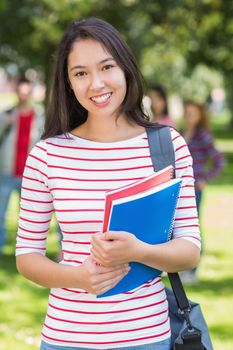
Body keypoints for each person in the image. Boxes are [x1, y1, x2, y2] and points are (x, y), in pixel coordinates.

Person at [16, 18, 201, 350]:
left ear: (125, 69)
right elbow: (27, 255)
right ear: (68, 83)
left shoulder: (167, 145)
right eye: (81, 73)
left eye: (106, 67)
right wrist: (76, 277)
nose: (96, 84)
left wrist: (139, 252)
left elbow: (189, 251)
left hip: (147, 337)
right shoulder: (48, 155)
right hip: (66, 338)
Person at [180, 99, 225, 284]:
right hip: (181, 187)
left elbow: (219, 160)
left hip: (195, 188)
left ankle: (193, 270)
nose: (188, 117)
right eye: (186, 113)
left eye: (192, 113)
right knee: (179, 228)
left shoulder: (202, 136)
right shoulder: (182, 133)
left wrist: (205, 178)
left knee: (192, 226)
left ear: (199, 116)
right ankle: (183, 268)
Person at [0, 78, 44, 253]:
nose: (24, 96)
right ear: (17, 93)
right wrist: (6, 122)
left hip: (29, 175)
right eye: (21, 92)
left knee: (27, 216)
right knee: (1, 212)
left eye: (27, 93)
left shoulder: (40, 116)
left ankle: (25, 250)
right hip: (6, 172)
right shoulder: (7, 114)